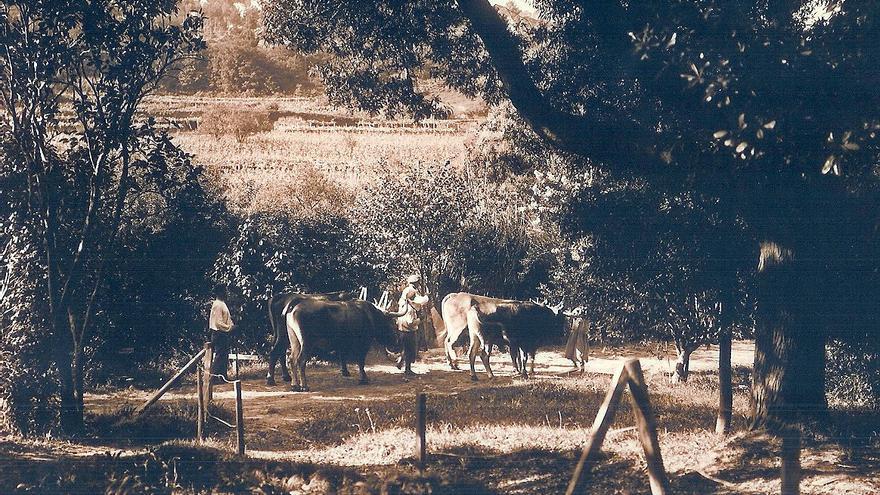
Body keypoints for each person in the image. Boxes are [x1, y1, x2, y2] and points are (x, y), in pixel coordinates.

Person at [396, 274, 429, 378]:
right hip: (408, 329)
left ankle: (403, 363)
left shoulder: (404, 296)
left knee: (406, 348)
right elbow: (411, 322)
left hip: (402, 327)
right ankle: (407, 370)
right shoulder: (410, 304)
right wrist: (420, 320)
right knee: (410, 350)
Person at [208, 284, 235, 382]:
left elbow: (227, 318)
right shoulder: (218, 305)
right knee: (220, 355)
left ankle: (223, 377)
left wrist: (232, 326)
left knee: (224, 355)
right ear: (219, 293)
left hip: (223, 333)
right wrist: (229, 328)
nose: (226, 293)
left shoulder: (222, 303)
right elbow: (218, 322)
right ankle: (212, 378)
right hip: (218, 332)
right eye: (224, 291)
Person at [564, 308, 589, 373]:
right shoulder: (580, 318)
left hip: (579, 337)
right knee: (570, 351)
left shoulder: (581, 320)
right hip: (575, 336)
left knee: (579, 353)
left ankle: (582, 368)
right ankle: (576, 366)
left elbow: (579, 329)